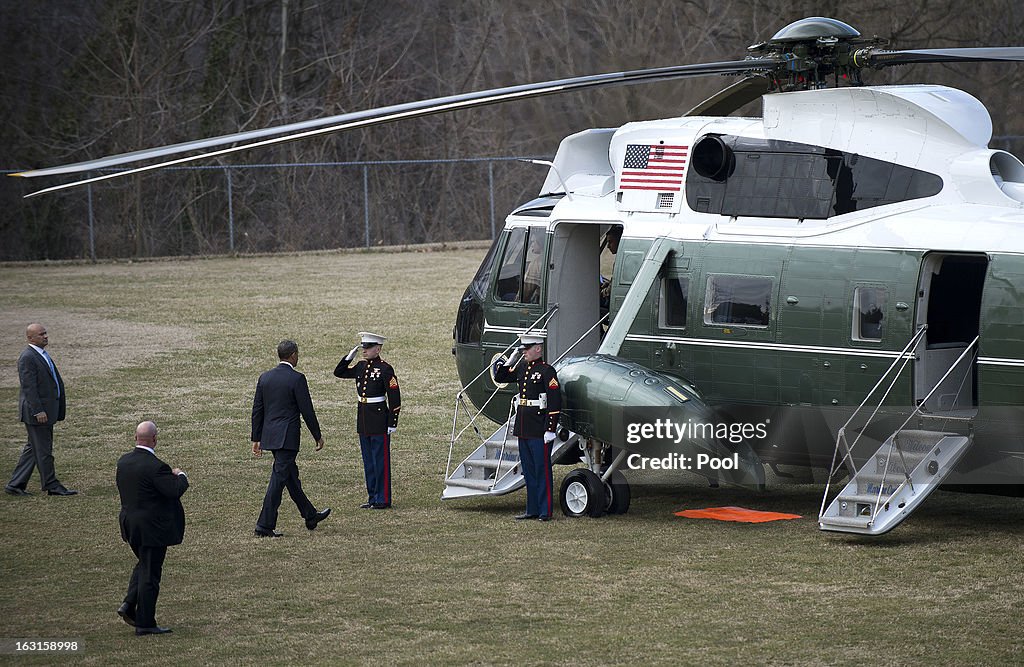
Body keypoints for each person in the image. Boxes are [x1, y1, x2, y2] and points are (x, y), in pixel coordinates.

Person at [251, 340, 331, 537]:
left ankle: (310, 514)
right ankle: (264, 525)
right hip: (287, 438)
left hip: (271, 437)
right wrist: (317, 435)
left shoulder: (265, 378)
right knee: (277, 481)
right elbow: (307, 410)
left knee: (290, 477)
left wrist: (256, 438)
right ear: (293, 355)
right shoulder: (297, 379)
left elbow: (257, 410)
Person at [116, 421, 188, 636]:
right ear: (155, 439)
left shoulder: (124, 462)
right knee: (150, 574)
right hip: (152, 529)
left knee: (144, 564)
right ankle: (145, 622)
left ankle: (129, 603)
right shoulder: (157, 467)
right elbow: (174, 490)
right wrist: (181, 475)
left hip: (131, 525)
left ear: (135, 437)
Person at [492, 333, 562, 521]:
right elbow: (500, 377)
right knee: (528, 470)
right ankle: (531, 509)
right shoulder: (522, 366)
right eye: (523, 348)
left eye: (527, 348)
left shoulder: (547, 371)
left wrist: (550, 429)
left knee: (542, 470)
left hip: (539, 429)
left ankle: (545, 511)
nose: (524, 352)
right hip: (524, 428)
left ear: (538, 348)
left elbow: (554, 401)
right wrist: (510, 360)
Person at [5, 323, 76, 496]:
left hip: (45, 411)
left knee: (33, 449)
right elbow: (29, 388)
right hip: (37, 413)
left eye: (45, 333)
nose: (45, 336)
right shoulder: (28, 357)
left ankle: (15, 485)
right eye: (41, 334)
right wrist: (38, 410)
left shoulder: (40, 354)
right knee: (44, 450)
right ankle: (51, 485)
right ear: (30, 338)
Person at [334, 332, 401, 509]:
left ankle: (383, 499)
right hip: (363, 418)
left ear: (377, 349)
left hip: (379, 419)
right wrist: (349, 357)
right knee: (368, 462)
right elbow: (339, 372)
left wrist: (392, 422)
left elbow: (395, 398)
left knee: (380, 461)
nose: (364, 350)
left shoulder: (386, 369)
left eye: (368, 347)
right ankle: (372, 497)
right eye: (363, 347)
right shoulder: (361, 366)